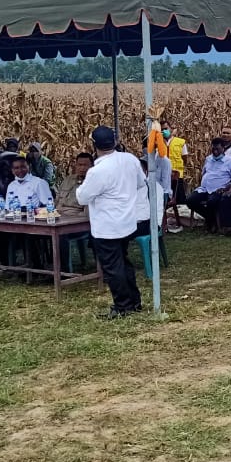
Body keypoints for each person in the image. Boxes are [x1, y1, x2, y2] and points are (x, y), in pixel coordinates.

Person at [77, 126, 147, 318]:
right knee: (123, 263)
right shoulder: (130, 160)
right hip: (127, 222)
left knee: (113, 268)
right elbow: (142, 183)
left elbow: (82, 198)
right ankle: (134, 301)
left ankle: (122, 306)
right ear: (115, 141)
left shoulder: (97, 171)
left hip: (107, 227)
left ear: (94, 145)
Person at [185, 139, 231, 233]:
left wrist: (227, 189)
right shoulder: (208, 159)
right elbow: (204, 173)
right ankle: (211, 219)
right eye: (213, 148)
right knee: (190, 201)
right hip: (204, 189)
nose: (215, 151)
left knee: (212, 202)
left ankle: (212, 223)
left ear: (223, 148)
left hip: (218, 190)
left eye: (217, 149)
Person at [55, 153, 93, 217]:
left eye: (85, 165)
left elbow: (88, 214)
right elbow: (57, 199)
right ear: (76, 165)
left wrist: (73, 217)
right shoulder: (68, 180)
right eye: (80, 165)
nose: (82, 168)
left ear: (92, 166)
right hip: (57, 214)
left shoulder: (92, 184)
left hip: (74, 219)